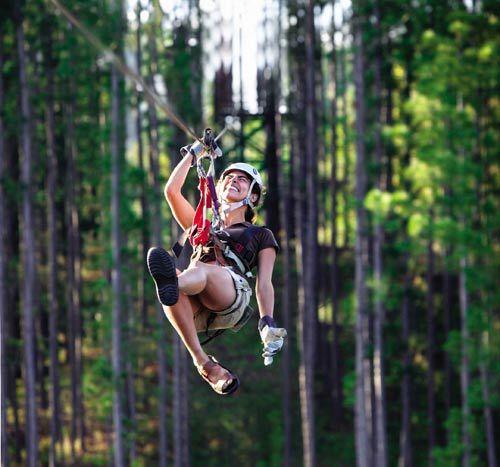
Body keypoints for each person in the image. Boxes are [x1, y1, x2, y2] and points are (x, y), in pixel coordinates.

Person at [147, 141, 287, 395]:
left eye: (242, 180)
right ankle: (203, 362)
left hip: (232, 293)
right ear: (218, 187)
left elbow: (264, 282)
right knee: (183, 279)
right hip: (199, 302)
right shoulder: (203, 226)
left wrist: (267, 320)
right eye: (229, 177)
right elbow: (172, 191)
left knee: (191, 272)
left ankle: (173, 283)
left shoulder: (260, 235)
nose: (233, 180)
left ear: (253, 196)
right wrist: (193, 154)